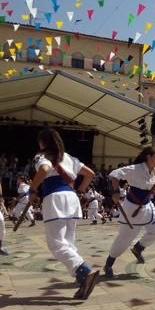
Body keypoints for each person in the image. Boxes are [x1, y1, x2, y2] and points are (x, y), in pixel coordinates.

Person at [29, 128, 98, 299]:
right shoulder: (69, 158)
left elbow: (44, 170)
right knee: (67, 242)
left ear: (42, 142)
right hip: (71, 198)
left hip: (55, 198)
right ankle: (82, 279)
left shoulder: (41, 156)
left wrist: (32, 189)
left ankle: (84, 271)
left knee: (56, 244)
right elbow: (90, 174)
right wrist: (81, 191)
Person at [103, 147, 155, 278]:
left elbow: (152, 185)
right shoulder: (135, 169)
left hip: (148, 206)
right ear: (148, 157)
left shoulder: (153, 171)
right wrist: (115, 191)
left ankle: (138, 248)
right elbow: (114, 174)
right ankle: (108, 264)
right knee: (124, 239)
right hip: (132, 209)